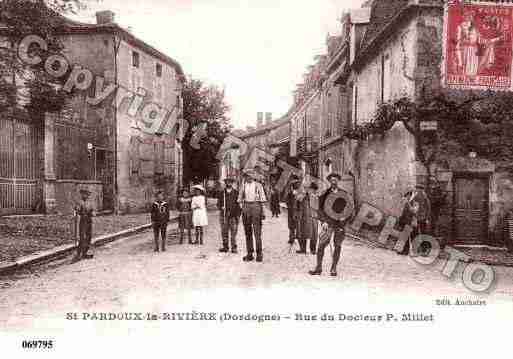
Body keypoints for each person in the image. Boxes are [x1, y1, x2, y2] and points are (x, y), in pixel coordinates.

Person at [309, 173, 352, 277]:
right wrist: (323, 221)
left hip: (340, 224)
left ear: (338, 181)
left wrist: (344, 220)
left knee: (337, 245)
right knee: (321, 245)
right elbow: (319, 210)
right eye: (332, 180)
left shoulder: (344, 194)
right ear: (329, 182)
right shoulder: (324, 194)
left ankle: (333, 268)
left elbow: (350, 210)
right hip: (328, 223)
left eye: (335, 180)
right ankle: (318, 268)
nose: (334, 182)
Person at [238, 168, 267, 262]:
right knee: (248, 232)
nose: (248, 178)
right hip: (246, 207)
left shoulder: (258, 185)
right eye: (246, 176)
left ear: (252, 176)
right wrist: (242, 207)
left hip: (256, 206)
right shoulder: (243, 185)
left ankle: (259, 254)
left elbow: (262, 200)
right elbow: (239, 199)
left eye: (249, 176)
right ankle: (249, 254)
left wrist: (263, 212)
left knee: (257, 232)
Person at [218, 177, 241, 253]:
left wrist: (238, 215)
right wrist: (221, 207)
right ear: (225, 183)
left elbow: (238, 205)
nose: (229, 183)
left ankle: (234, 247)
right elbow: (218, 204)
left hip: (233, 215)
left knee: (233, 232)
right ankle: (225, 246)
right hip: (224, 215)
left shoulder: (236, 193)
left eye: (230, 182)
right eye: (227, 182)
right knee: (224, 231)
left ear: (232, 183)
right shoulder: (222, 193)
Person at [71, 187, 95, 263]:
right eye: (84, 194)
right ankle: (78, 254)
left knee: (89, 236)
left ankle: (85, 253)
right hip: (83, 220)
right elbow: (77, 210)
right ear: (82, 195)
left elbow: (92, 210)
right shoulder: (79, 202)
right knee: (82, 237)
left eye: (87, 194)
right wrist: (75, 213)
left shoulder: (89, 202)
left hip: (89, 220)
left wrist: (93, 213)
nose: (86, 196)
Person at [296, 182, 319, 255]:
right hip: (305, 217)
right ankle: (303, 249)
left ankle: (313, 249)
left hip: (314, 217)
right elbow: (298, 200)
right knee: (303, 233)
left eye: (314, 190)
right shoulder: (304, 196)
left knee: (314, 234)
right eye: (312, 189)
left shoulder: (316, 197)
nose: (313, 191)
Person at [397, 190, 415, 256]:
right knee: (406, 236)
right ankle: (404, 250)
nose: (408, 197)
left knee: (407, 237)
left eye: (409, 196)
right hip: (406, 220)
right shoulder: (407, 203)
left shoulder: (409, 203)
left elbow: (410, 212)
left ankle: (405, 251)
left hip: (407, 221)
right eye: (408, 195)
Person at [286, 178, 301, 246]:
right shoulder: (291, 194)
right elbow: (287, 201)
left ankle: (294, 237)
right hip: (293, 211)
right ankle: (293, 237)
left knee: (294, 225)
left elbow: (287, 202)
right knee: (294, 225)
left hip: (294, 211)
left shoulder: (294, 194)